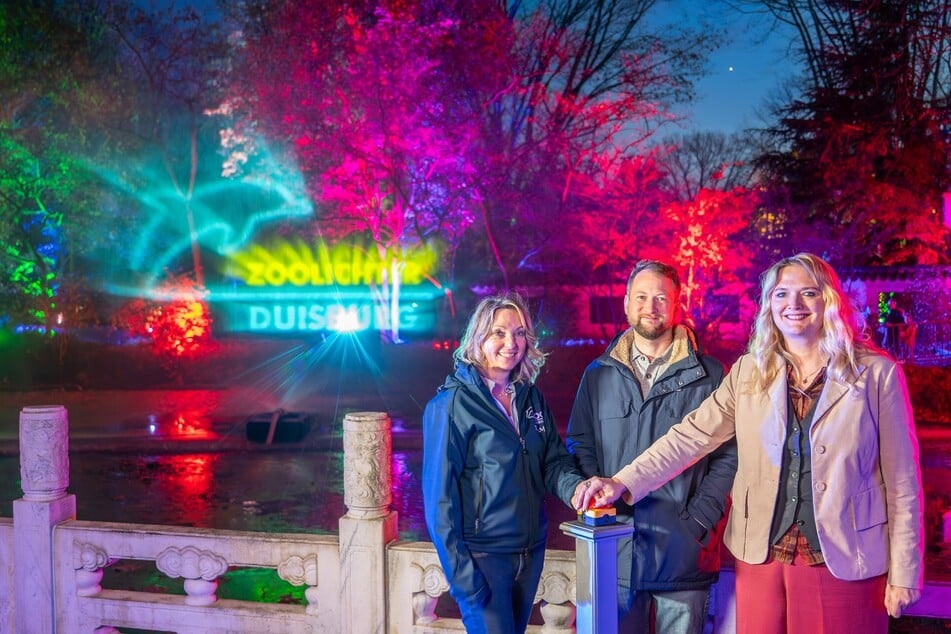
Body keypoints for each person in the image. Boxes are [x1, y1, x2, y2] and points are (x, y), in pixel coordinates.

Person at [573, 253, 924, 633]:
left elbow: (903, 482)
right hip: (762, 557)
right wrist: (621, 481)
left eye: (808, 293)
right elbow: (689, 437)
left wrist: (905, 572)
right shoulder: (749, 372)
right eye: (781, 294)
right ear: (769, 304)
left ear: (829, 300)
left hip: (844, 556)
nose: (794, 305)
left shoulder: (876, 374)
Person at [566, 259, 737, 633]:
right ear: (627, 303)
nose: (651, 307)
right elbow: (580, 443)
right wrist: (599, 502)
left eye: (661, 298)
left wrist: (699, 520)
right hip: (615, 548)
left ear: (677, 305)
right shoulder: (599, 374)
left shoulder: (710, 375)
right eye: (641, 297)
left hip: (683, 552)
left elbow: (730, 458)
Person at [422, 292, 584, 634]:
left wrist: (579, 489)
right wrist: (465, 581)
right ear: (479, 338)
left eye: (520, 333)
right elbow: (440, 501)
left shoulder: (530, 396)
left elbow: (553, 462)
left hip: (529, 553)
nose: (511, 343)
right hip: (484, 560)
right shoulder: (451, 405)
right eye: (499, 333)